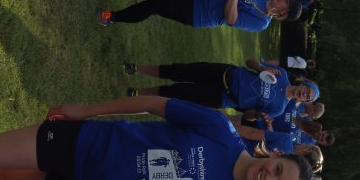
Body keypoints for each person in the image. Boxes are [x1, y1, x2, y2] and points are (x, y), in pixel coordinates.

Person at [0, 96, 312, 180]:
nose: (268, 178)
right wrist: (85, 109)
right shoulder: (220, 129)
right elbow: (154, 104)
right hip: (85, 144)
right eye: (277, 169)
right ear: (277, 154)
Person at [125, 60, 319, 119]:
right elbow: (250, 61)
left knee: (178, 93)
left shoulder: (279, 109)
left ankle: (139, 92)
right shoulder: (282, 74)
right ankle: (138, 67)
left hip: (224, 97)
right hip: (225, 73)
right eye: (307, 90)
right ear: (303, 84)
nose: (304, 94)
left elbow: (247, 115)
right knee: (180, 71)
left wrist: (259, 116)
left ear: (303, 101)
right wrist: (261, 67)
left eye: (307, 97)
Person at [99, 0, 302, 31]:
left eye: (285, 1)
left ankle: (112, 17)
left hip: (199, 13)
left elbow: (231, 20)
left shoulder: (261, 23)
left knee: (155, 5)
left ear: (283, 12)